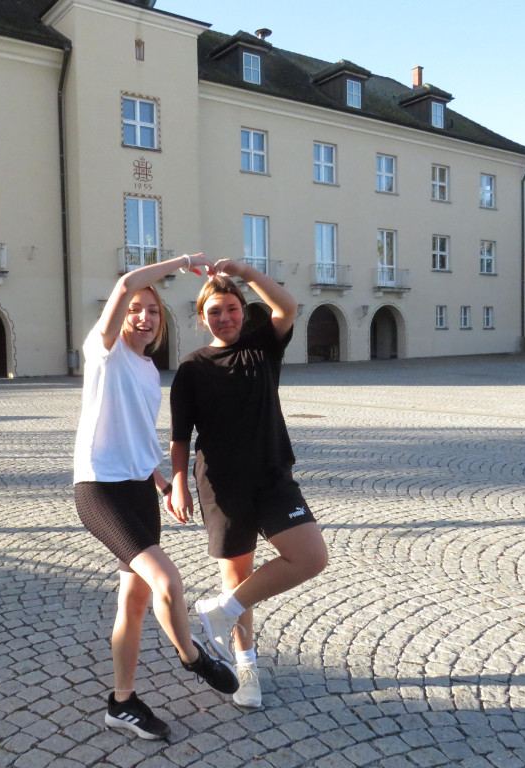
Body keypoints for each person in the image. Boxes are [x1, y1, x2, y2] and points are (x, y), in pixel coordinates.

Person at [73, 253, 238, 741]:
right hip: (100, 490)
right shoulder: (103, 350)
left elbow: (140, 440)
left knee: (135, 600)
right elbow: (126, 282)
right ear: (120, 314)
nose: (144, 317)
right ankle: (192, 656)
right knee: (168, 579)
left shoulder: (147, 369)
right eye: (135, 310)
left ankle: (122, 703)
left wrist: (165, 485)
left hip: (138, 490)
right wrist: (184, 262)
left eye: (152, 311)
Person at [169, 259, 329, 710]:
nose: (225, 318)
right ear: (202, 319)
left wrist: (245, 271)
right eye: (215, 312)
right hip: (222, 486)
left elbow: (287, 306)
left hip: (274, 476)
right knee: (238, 577)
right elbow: (180, 436)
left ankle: (221, 611)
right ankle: (246, 667)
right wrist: (178, 484)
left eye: (232, 308)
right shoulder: (192, 368)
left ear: (243, 309)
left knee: (311, 557)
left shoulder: (263, 346)